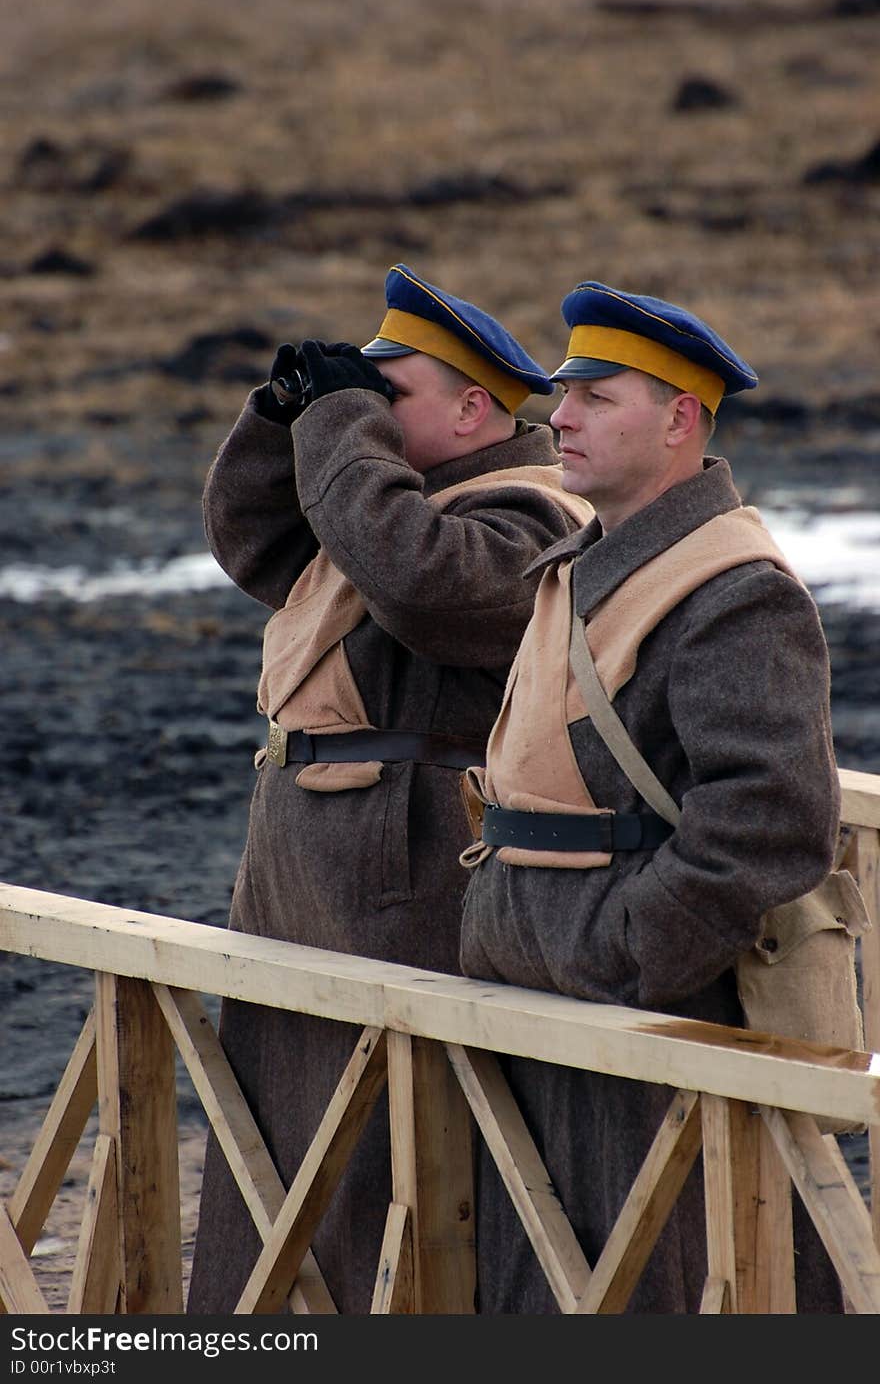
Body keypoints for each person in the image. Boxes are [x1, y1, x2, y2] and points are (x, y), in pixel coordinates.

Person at [186, 263, 593, 1313]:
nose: (359, 410)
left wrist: (336, 428)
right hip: (307, 880)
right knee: (279, 1146)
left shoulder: (536, 519)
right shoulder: (380, 503)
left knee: (388, 1165)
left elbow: (418, 581)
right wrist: (284, 416)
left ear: (472, 409)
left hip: (405, 884)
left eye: (387, 392)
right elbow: (255, 539)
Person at [458, 280, 844, 1313]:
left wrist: (627, 945)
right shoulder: (585, 562)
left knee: (654, 1288)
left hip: (646, 1011)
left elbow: (769, 818)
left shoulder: (735, 591)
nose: (558, 415)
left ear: (678, 419)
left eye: (595, 395)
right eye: (560, 393)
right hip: (545, 987)